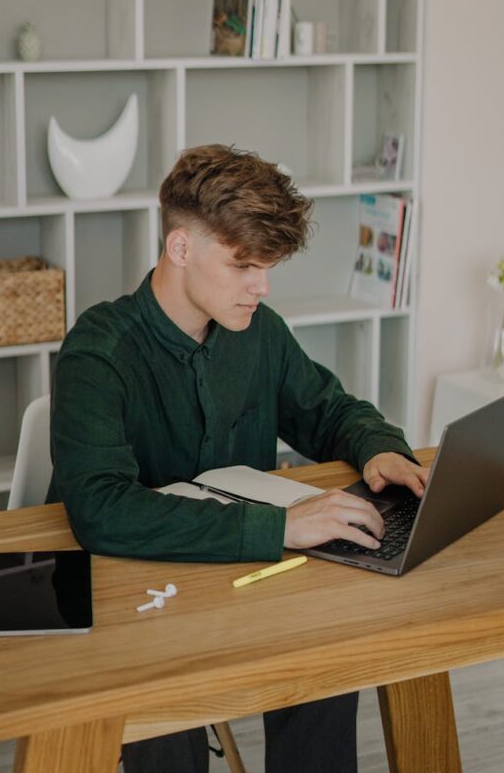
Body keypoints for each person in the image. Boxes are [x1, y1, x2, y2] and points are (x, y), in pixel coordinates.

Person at [48, 144, 428, 773]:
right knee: (163, 714)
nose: (262, 286)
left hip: (239, 581)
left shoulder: (260, 332)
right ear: (180, 248)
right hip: (133, 600)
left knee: (328, 663)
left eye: (268, 266)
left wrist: (378, 446)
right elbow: (100, 511)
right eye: (244, 265)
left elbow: (328, 410)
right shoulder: (98, 352)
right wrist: (281, 526)